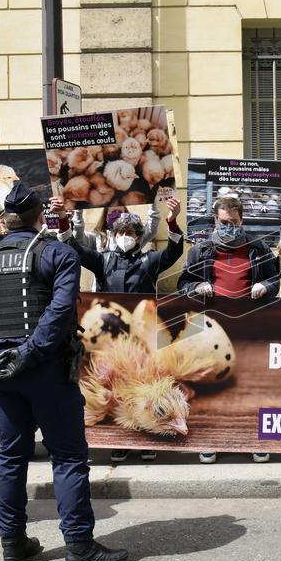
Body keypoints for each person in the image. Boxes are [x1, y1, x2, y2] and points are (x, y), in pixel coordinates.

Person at [0, 181, 128, 561]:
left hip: (1, 371)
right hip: (45, 370)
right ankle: (79, 548)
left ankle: (13, 543)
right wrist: (29, 354)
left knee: (11, 459)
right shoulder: (57, 254)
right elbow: (59, 312)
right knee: (68, 458)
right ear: (39, 217)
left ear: (4, 218)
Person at [73, 194, 184, 464]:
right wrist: (68, 218)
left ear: (139, 235)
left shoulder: (149, 261)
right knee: (114, 391)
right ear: (113, 234)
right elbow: (76, 248)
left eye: (132, 232)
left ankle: (147, 443)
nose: (127, 236)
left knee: (145, 390)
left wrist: (172, 221)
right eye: (122, 232)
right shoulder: (103, 261)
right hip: (109, 340)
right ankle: (120, 444)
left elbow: (173, 252)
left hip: (143, 340)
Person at [179, 196, 280, 464]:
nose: (229, 227)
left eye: (234, 223)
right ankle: (210, 440)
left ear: (242, 220)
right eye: (224, 223)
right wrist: (195, 288)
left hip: (249, 327)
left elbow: (274, 280)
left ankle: (253, 439)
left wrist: (266, 287)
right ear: (215, 220)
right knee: (212, 388)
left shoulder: (257, 248)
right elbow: (184, 282)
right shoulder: (200, 251)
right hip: (211, 331)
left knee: (249, 387)